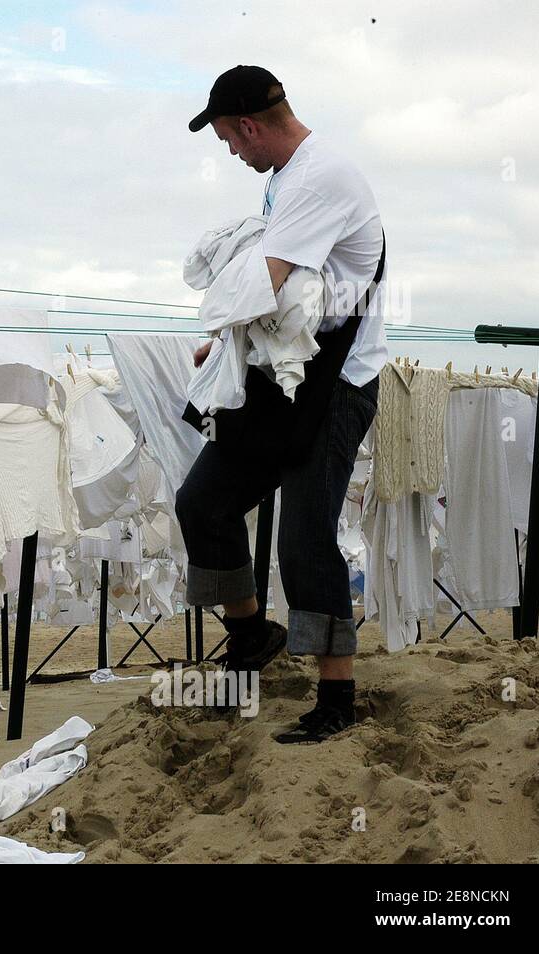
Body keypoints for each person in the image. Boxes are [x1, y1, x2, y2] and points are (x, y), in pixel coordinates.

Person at [179, 65, 387, 743]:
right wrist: (229, 352)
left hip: (338, 385)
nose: (232, 155)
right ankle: (252, 638)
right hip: (287, 379)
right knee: (203, 504)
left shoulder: (320, 176)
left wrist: (218, 330)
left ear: (249, 125)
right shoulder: (284, 182)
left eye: (229, 142)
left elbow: (265, 281)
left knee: (303, 539)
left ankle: (337, 699)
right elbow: (283, 296)